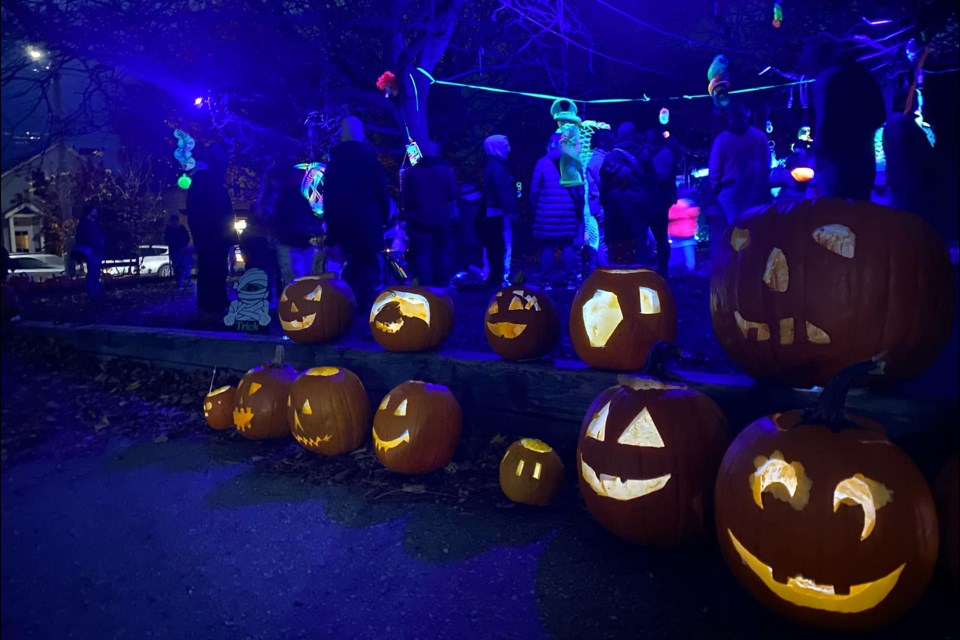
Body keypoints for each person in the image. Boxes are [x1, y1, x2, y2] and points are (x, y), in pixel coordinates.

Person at [801, 39, 886, 200]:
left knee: (834, 214)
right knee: (858, 213)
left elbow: (825, 125)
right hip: (863, 159)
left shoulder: (828, 79)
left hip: (835, 163)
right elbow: (879, 115)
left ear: (817, 58)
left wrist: (818, 157)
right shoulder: (862, 74)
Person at [323, 116, 391, 312]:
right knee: (367, 262)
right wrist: (384, 216)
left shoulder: (335, 165)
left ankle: (346, 300)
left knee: (352, 261)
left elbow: (329, 198)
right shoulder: (370, 161)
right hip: (368, 219)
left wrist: (331, 228)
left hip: (343, 221)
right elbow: (381, 191)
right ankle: (363, 302)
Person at [401, 140, 458, 286]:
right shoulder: (445, 170)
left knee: (422, 253)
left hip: (418, 219)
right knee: (440, 252)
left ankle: (424, 284)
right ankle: (441, 282)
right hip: (441, 218)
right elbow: (451, 194)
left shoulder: (410, 173)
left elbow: (406, 198)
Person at [186, 143, 233, 316]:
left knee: (217, 268)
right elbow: (200, 211)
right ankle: (210, 303)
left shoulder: (209, 181)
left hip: (215, 235)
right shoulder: (206, 181)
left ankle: (215, 300)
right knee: (210, 268)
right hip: (211, 235)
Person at [599, 122, 656, 267]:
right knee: (640, 247)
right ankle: (642, 279)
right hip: (642, 205)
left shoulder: (614, 156)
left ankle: (620, 282)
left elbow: (606, 180)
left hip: (618, 210)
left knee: (619, 251)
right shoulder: (645, 153)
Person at [529, 133, 581, 288]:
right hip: (567, 213)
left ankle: (546, 282)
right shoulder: (571, 164)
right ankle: (571, 281)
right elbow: (579, 189)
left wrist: (536, 206)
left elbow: (534, 190)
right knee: (567, 246)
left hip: (546, 213)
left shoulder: (542, 163)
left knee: (547, 247)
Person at [883, 78, 937, 224]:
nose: (918, 103)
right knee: (910, 221)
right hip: (908, 184)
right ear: (904, 101)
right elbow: (900, 154)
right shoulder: (898, 122)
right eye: (914, 99)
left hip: (912, 183)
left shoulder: (904, 122)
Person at [708, 103, 771, 224]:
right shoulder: (758, 136)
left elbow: (715, 168)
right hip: (755, 191)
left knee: (736, 231)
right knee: (755, 229)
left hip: (732, 193)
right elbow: (766, 164)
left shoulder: (722, 139)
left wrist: (717, 189)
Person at [271, 163, 323, 287]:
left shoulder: (278, 199)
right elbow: (309, 219)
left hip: (290, 244)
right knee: (305, 280)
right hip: (299, 243)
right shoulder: (297, 198)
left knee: (294, 282)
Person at [478, 134, 518, 288]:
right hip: (498, 213)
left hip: (496, 212)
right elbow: (503, 191)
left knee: (496, 246)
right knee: (500, 246)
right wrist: (511, 210)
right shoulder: (496, 167)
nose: (509, 149)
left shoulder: (494, 166)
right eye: (505, 145)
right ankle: (498, 278)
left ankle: (495, 277)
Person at [73, 205, 105, 300]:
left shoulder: (93, 224)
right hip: (91, 251)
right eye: (94, 211)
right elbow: (81, 238)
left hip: (96, 251)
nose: (96, 214)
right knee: (93, 273)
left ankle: (95, 293)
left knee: (96, 273)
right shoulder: (85, 225)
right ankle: (93, 294)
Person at [164, 214, 192, 289]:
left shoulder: (177, 228)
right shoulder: (172, 229)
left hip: (180, 250)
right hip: (176, 251)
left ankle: (182, 281)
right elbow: (167, 240)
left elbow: (186, 238)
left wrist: (182, 245)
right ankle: (181, 281)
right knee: (178, 266)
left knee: (182, 266)